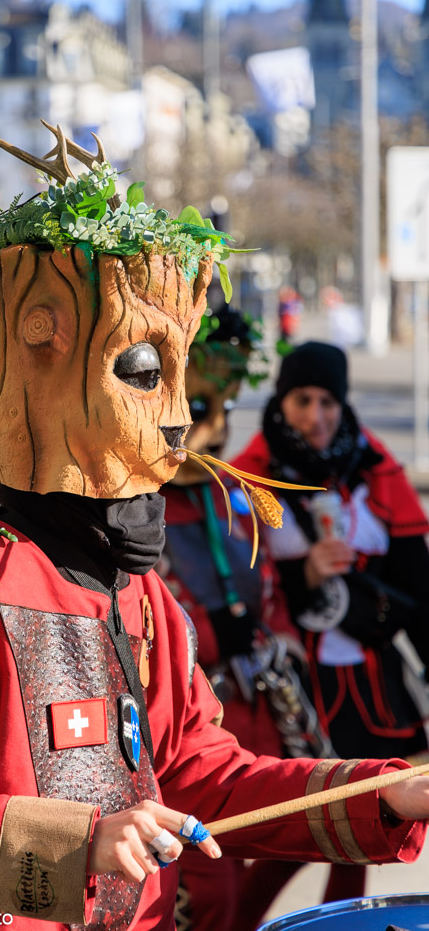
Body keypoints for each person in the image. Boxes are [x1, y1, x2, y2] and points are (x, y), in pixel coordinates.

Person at [0, 128, 429, 930]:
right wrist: (76, 844)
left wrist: (382, 794)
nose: (173, 419)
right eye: (141, 373)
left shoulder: (144, 599)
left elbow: (203, 776)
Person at [160, 309, 356, 931]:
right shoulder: (138, 511)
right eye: (197, 408)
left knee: (345, 829)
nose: (211, 431)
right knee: (209, 890)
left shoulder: (234, 494)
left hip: (258, 716)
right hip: (189, 725)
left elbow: (270, 585)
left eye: (221, 411)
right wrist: (215, 633)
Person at [232, 340, 429, 903]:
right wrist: (303, 577)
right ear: (280, 401)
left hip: (372, 684)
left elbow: (420, 588)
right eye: (301, 400)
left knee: (367, 827)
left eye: (327, 401)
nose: (315, 416)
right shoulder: (250, 477)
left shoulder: (375, 470)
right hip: (298, 688)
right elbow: (241, 594)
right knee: (300, 827)